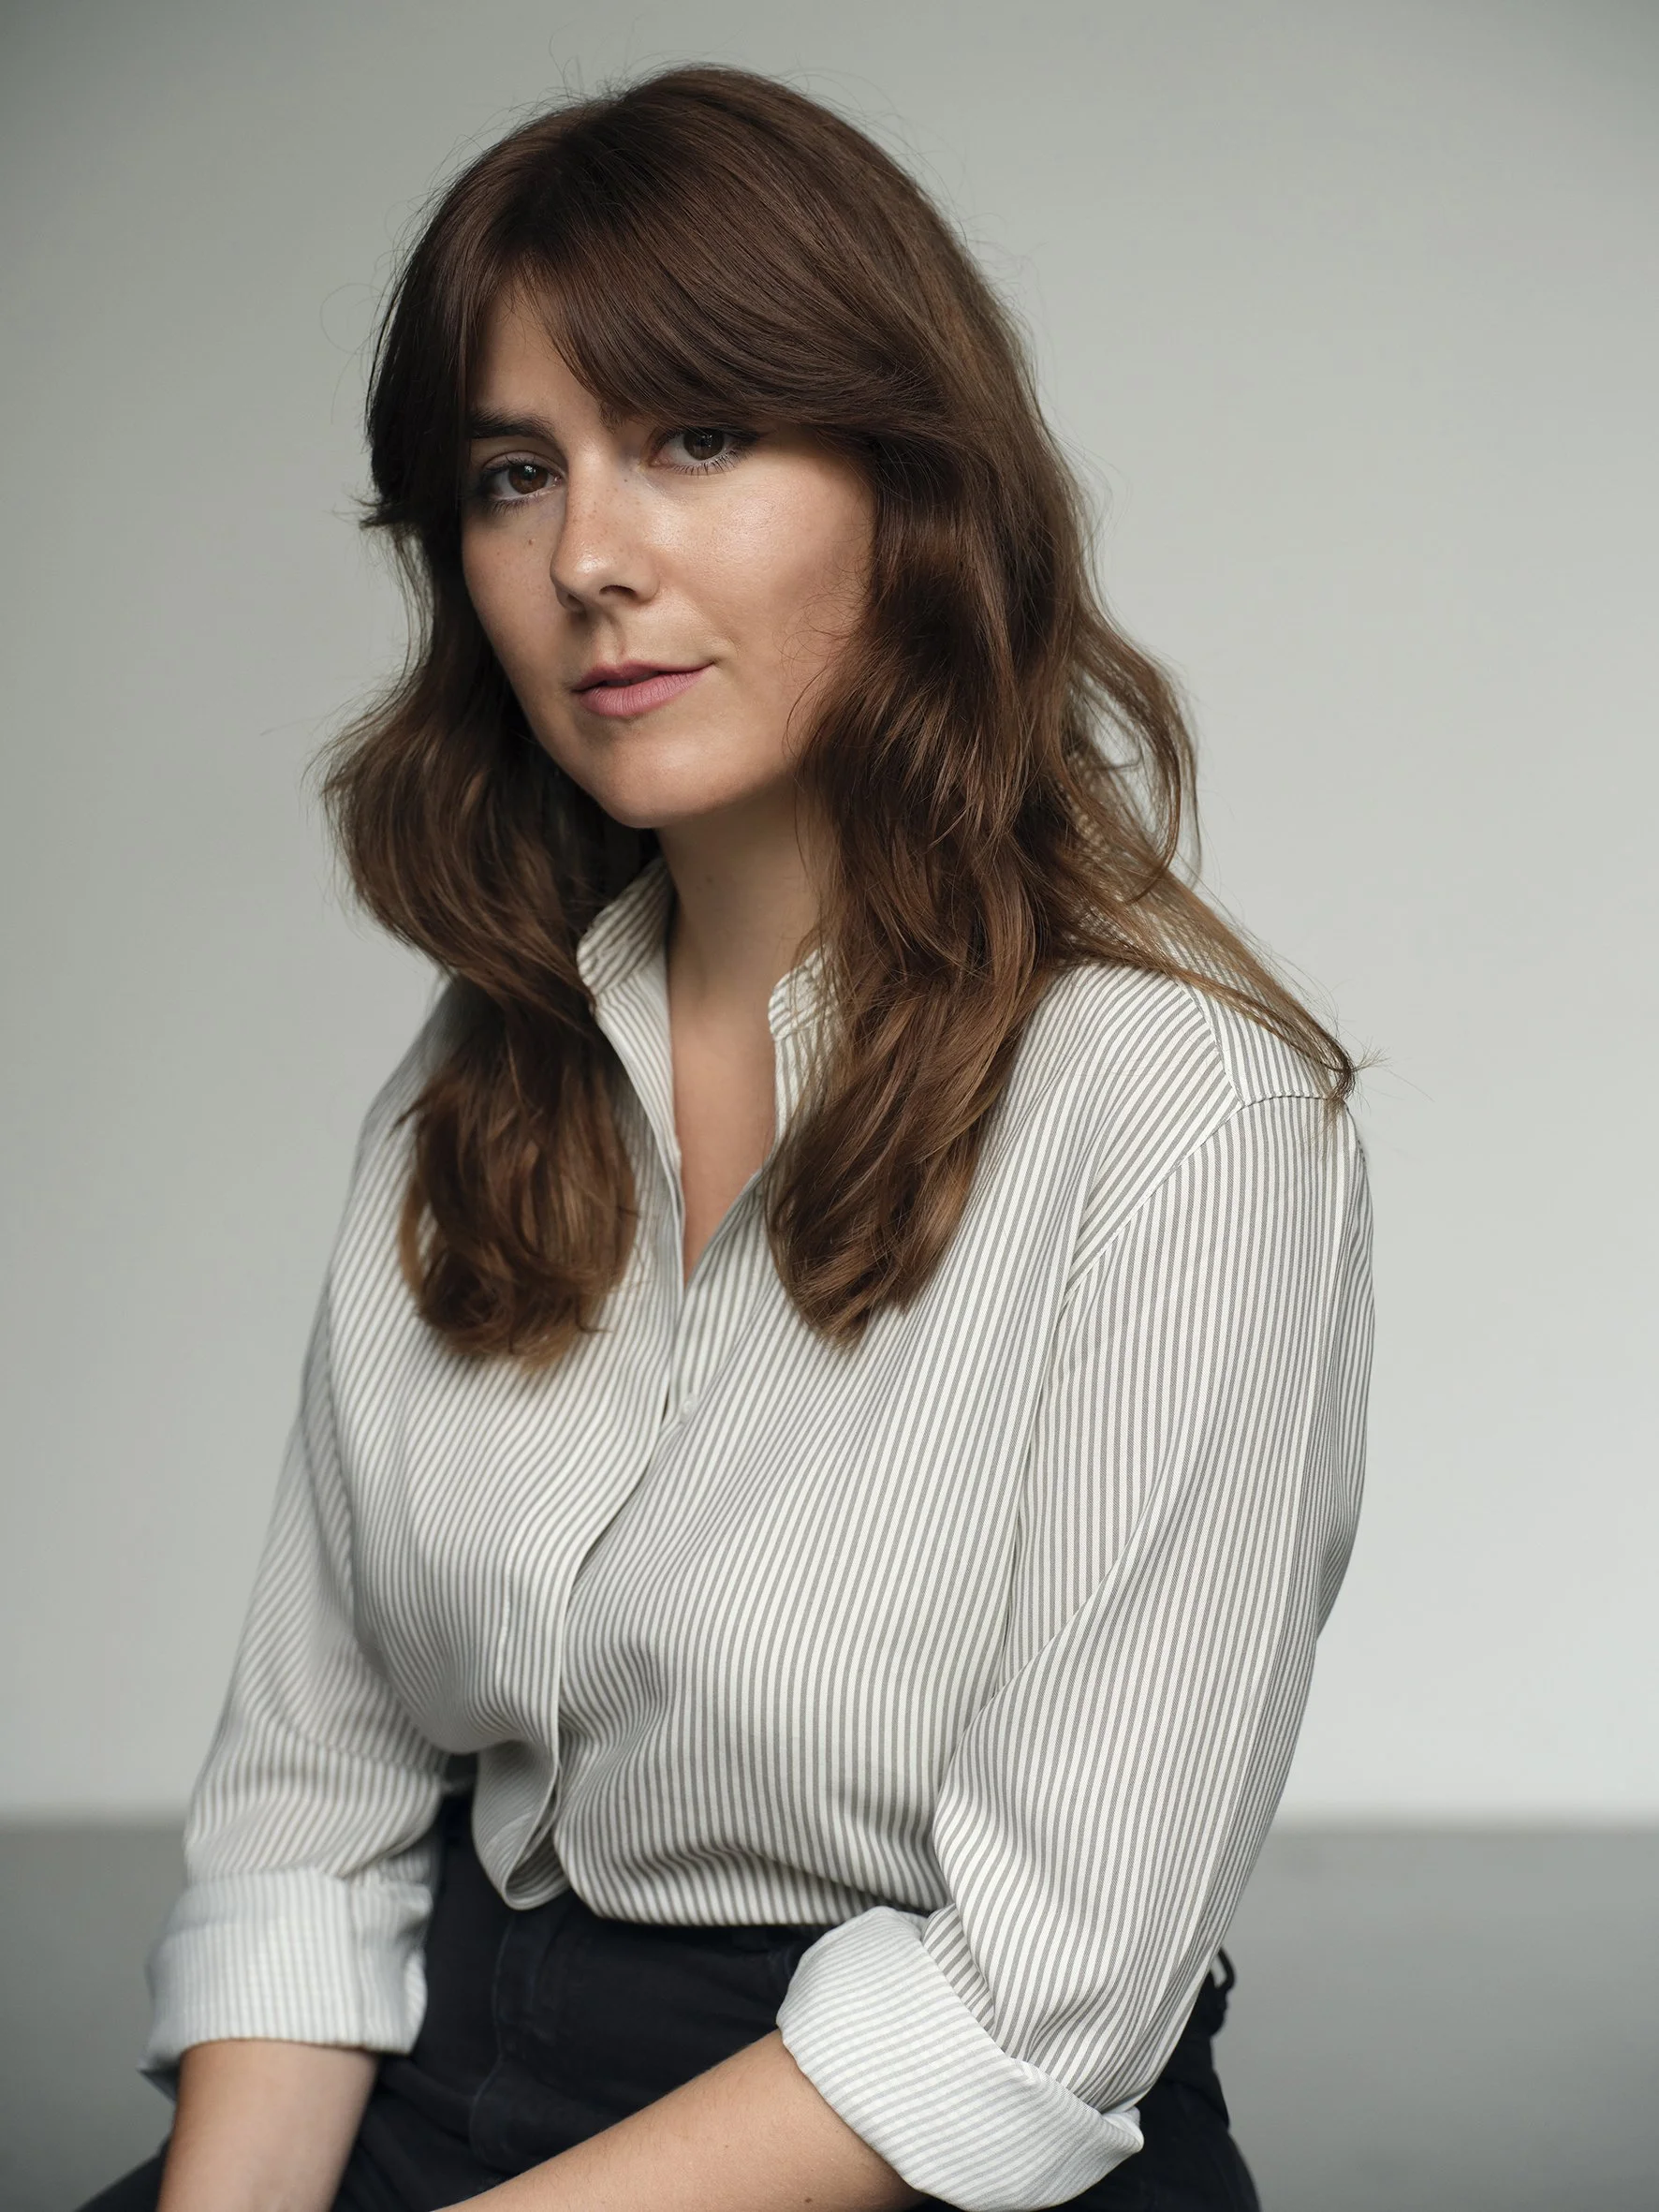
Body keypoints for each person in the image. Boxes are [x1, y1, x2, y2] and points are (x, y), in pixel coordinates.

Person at [81, 64, 1374, 2212]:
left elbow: (1034, 2001)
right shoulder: (481, 1067)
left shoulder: (1180, 1111)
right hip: (435, 2080)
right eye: (513, 474)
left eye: (694, 436)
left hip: (885, 2145)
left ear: (911, 486)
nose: (588, 557)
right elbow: (312, 1814)